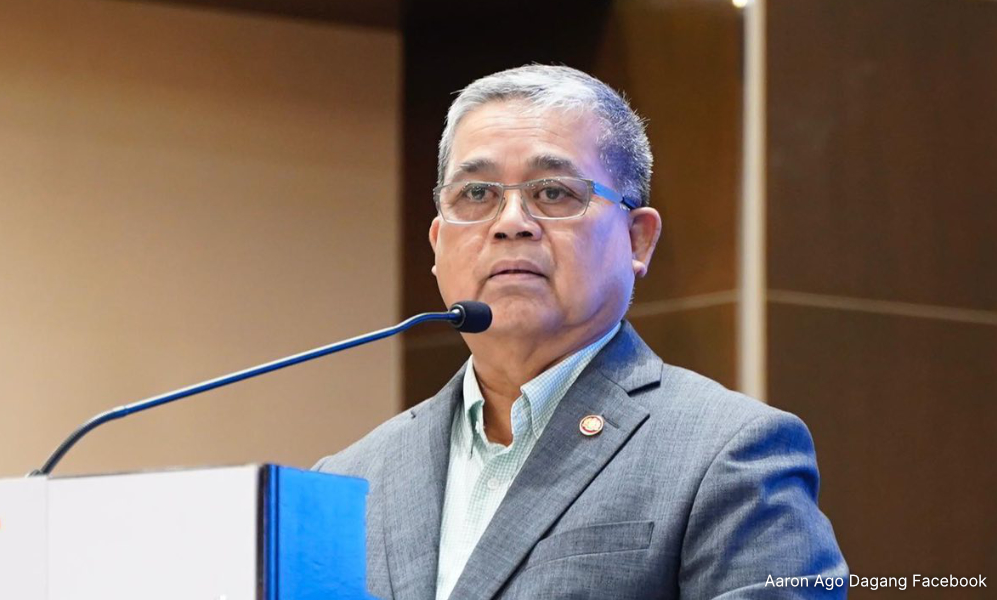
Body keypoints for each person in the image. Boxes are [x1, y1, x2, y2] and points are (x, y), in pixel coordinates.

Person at [314, 64, 846, 600]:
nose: (510, 222)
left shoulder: (728, 452)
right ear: (437, 244)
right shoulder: (348, 480)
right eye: (476, 193)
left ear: (637, 239)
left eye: (553, 192)